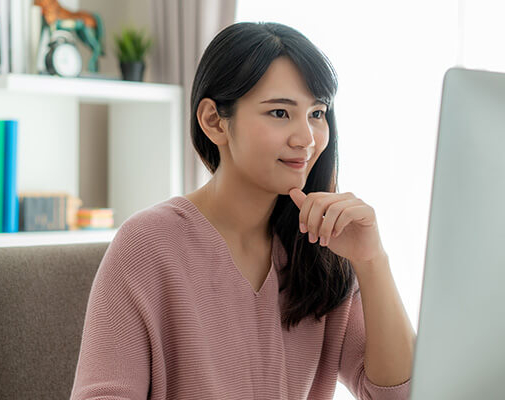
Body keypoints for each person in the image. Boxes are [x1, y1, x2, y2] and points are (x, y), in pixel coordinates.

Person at [69, 21, 415, 400]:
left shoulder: (321, 249)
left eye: (317, 113)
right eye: (280, 113)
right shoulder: (147, 246)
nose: (307, 138)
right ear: (214, 121)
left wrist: (372, 260)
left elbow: (400, 394)